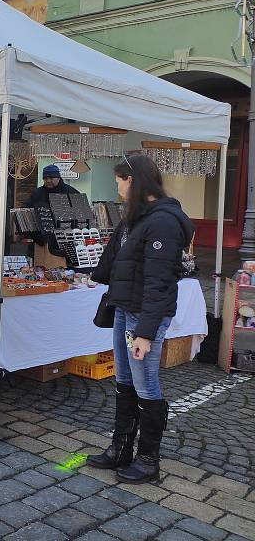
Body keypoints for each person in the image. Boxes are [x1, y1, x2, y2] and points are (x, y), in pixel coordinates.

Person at [88, 154, 194, 484]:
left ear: (132, 181)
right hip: (125, 309)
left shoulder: (162, 220)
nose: (117, 187)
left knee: (146, 383)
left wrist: (146, 333)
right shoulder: (137, 217)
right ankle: (120, 449)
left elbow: (158, 282)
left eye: (119, 181)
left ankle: (148, 459)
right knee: (124, 381)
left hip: (143, 317)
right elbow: (118, 260)